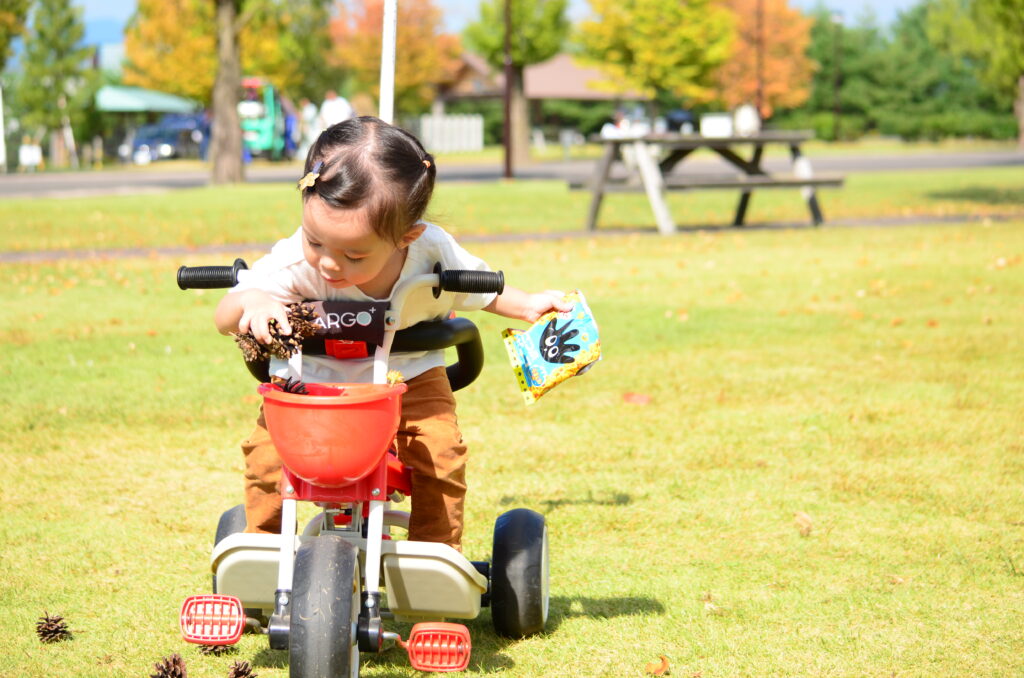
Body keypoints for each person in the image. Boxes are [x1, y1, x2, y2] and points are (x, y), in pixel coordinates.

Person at [215, 116, 571, 550]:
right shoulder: (294, 260)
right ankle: (260, 550)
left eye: (353, 253)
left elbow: (481, 289)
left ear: (406, 237)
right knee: (267, 456)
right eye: (316, 241)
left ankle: (435, 556)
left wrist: (529, 304)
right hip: (312, 382)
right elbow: (227, 312)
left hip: (410, 376)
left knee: (439, 453)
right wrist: (253, 302)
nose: (328, 263)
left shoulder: (432, 252)